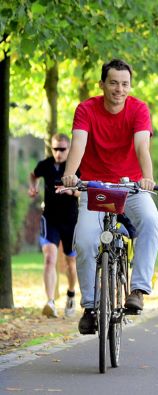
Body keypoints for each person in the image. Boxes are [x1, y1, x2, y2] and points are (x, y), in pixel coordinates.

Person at [62, 59, 158, 335]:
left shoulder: (139, 109)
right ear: (102, 84)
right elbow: (78, 143)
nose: (119, 89)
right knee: (84, 240)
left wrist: (147, 177)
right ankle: (91, 307)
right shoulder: (86, 109)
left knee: (151, 221)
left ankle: (138, 289)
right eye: (114, 83)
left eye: (125, 84)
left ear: (130, 86)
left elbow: (142, 145)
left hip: (130, 187)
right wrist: (71, 174)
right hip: (95, 187)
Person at [28, 133, 79, 318]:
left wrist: (71, 191)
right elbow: (33, 175)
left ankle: (71, 294)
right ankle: (50, 302)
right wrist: (32, 187)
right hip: (50, 218)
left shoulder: (75, 166)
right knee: (49, 258)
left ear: (69, 149)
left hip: (71, 220)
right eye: (55, 149)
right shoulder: (45, 165)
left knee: (70, 263)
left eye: (62, 149)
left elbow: (83, 191)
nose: (58, 153)